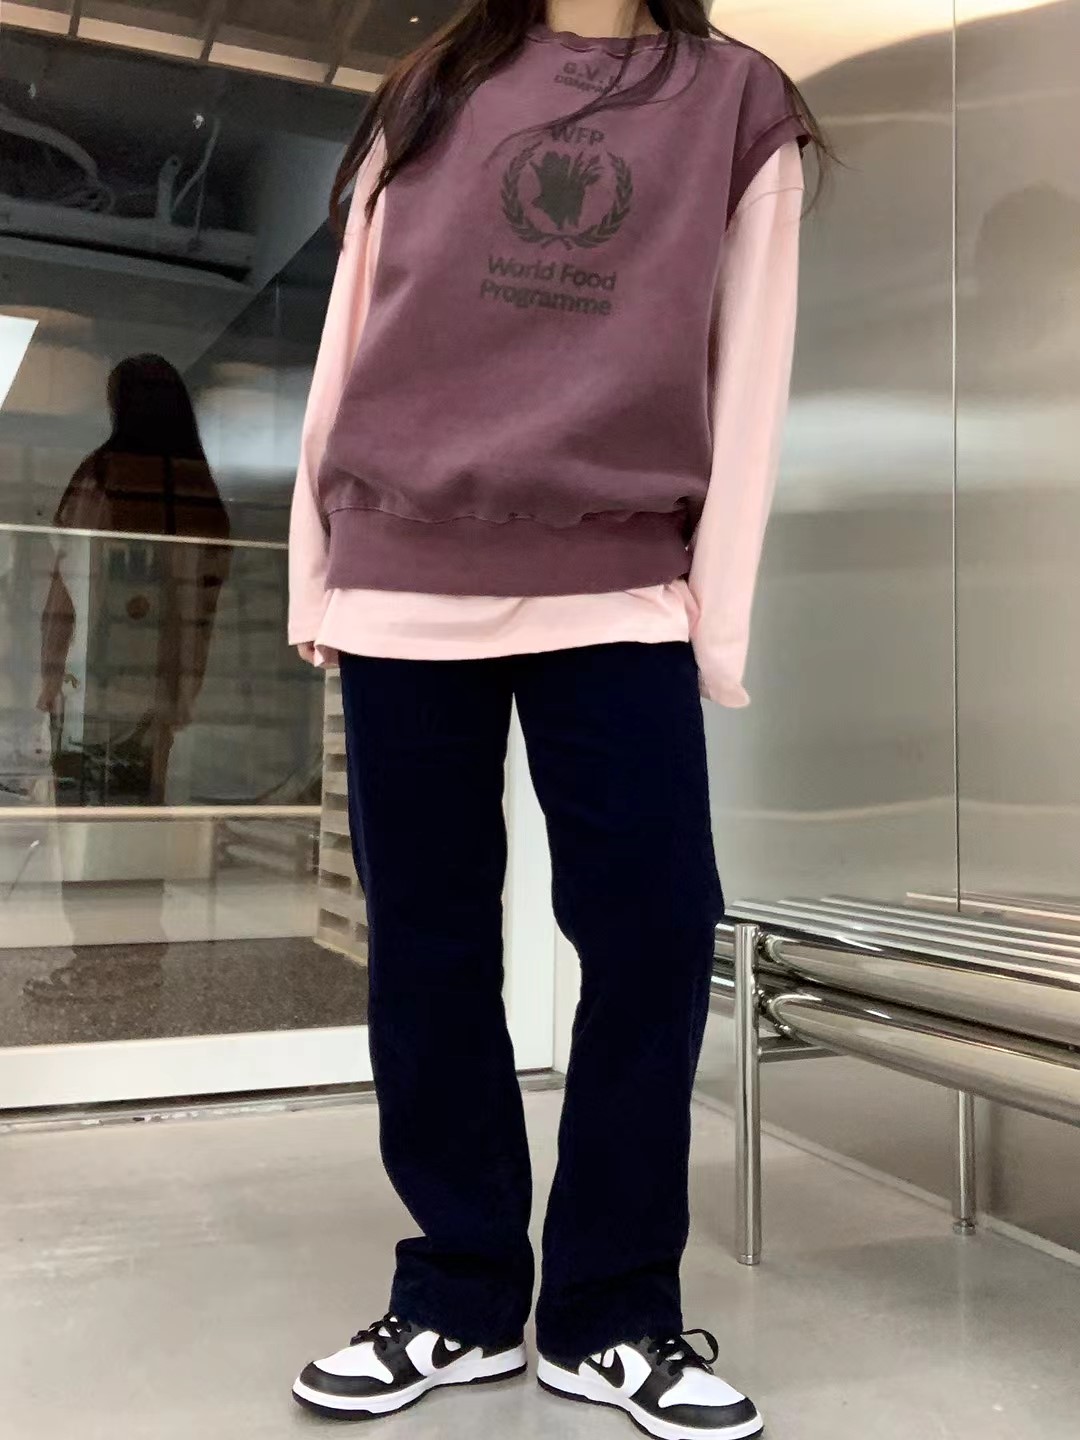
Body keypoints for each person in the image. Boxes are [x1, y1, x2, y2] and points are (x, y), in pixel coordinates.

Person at [288, 3, 829, 1435]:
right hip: (403, 573)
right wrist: (318, 570)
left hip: (620, 581)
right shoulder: (435, 82)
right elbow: (352, 338)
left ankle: (611, 1313)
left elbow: (751, 371)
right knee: (430, 943)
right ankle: (459, 1294)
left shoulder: (737, 104)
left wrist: (716, 618)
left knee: (654, 935)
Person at [29, 354, 230, 1002]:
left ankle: (97, 961)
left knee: (84, 825)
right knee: (141, 821)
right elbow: (204, 602)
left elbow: (63, 589)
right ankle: (139, 958)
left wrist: (48, 675)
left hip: (87, 689)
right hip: (156, 695)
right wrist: (185, 688)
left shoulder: (99, 474)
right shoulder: (197, 486)